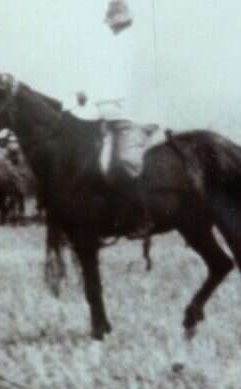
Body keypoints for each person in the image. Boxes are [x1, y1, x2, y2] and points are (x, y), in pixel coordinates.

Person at [68, 0, 156, 236]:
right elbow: (107, 81)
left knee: (126, 160)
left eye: (116, 22)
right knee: (99, 164)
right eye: (112, 23)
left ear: (125, 20)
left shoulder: (136, 44)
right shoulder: (114, 45)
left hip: (134, 115)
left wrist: (104, 101)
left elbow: (135, 83)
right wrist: (87, 95)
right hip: (113, 116)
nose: (112, 27)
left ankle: (142, 219)